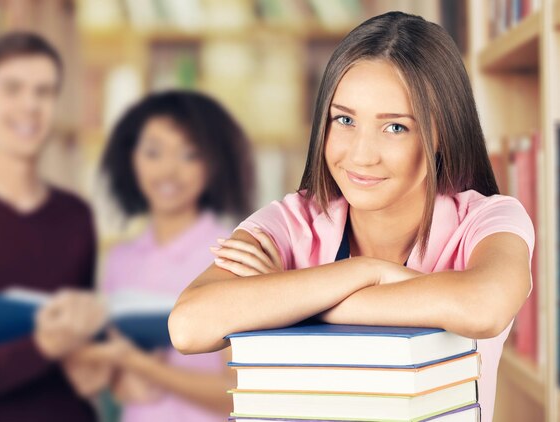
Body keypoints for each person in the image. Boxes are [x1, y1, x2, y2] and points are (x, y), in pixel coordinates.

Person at [168, 12, 534, 422]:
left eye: (395, 127)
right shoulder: (294, 221)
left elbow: (483, 306)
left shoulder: (487, 219)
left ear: (441, 133)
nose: (361, 155)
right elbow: (189, 326)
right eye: (344, 120)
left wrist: (287, 299)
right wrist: (367, 272)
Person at [0, 32, 107, 421]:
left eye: (43, 92)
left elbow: (79, 350)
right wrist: (41, 347)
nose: (30, 105)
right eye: (13, 89)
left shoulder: (76, 215)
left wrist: (95, 361)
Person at [64, 91, 255, 421]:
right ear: (130, 158)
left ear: (213, 164)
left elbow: (241, 393)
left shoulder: (232, 256)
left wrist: (143, 367)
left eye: (189, 154)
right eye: (153, 152)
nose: (168, 171)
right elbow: (112, 382)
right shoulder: (120, 259)